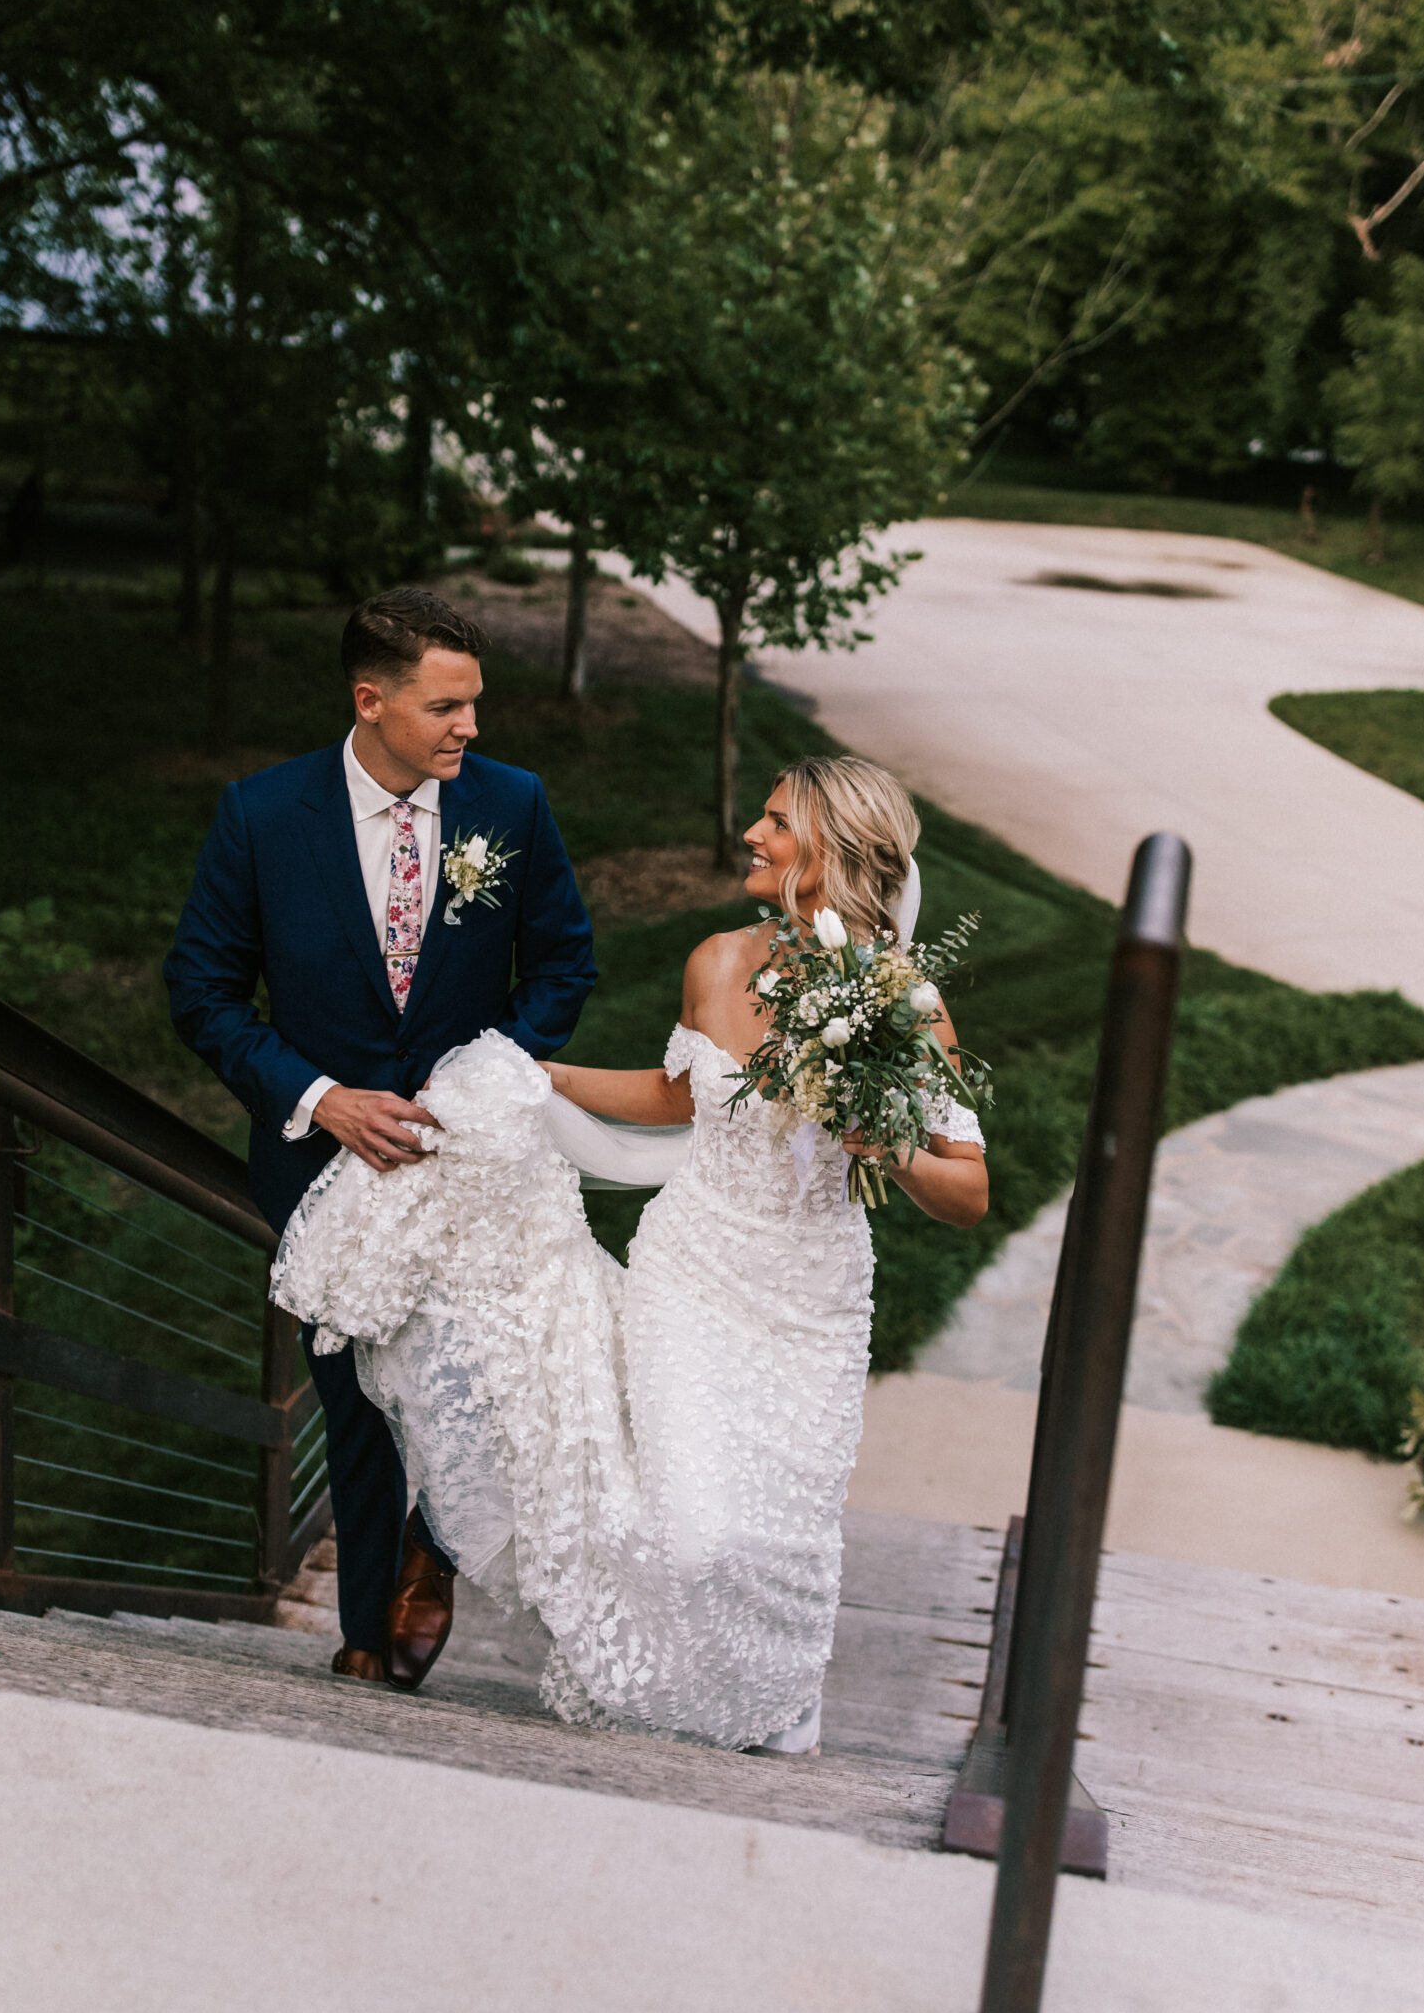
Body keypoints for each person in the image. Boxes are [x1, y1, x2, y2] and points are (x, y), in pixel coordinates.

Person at [271, 754, 987, 1756]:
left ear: (832, 848)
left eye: (776, 822)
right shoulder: (718, 963)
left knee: (773, 1523)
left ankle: (779, 1690)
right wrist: (540, 1075)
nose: (752, 834)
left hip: (812, 1292)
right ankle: (679, 1680)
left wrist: (888, 1141)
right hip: (693, 1268)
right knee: (690, 1524)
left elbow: (968, 1189)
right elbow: (678, 1094)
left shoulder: (902, 1003)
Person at [164, 588, 597, 1689]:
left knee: (483, 1374)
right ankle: (367, 1627)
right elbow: (203, 991)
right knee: (357, 1400)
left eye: (475, 705)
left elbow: (562, 962)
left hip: (474, 1160)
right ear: (371, 700)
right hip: (327, 1161)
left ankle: (436, 1548)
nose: (471, 728)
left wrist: (486, 1080)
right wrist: (318, 1096)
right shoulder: (262, 817)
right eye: (447, 707)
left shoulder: (512, 804)